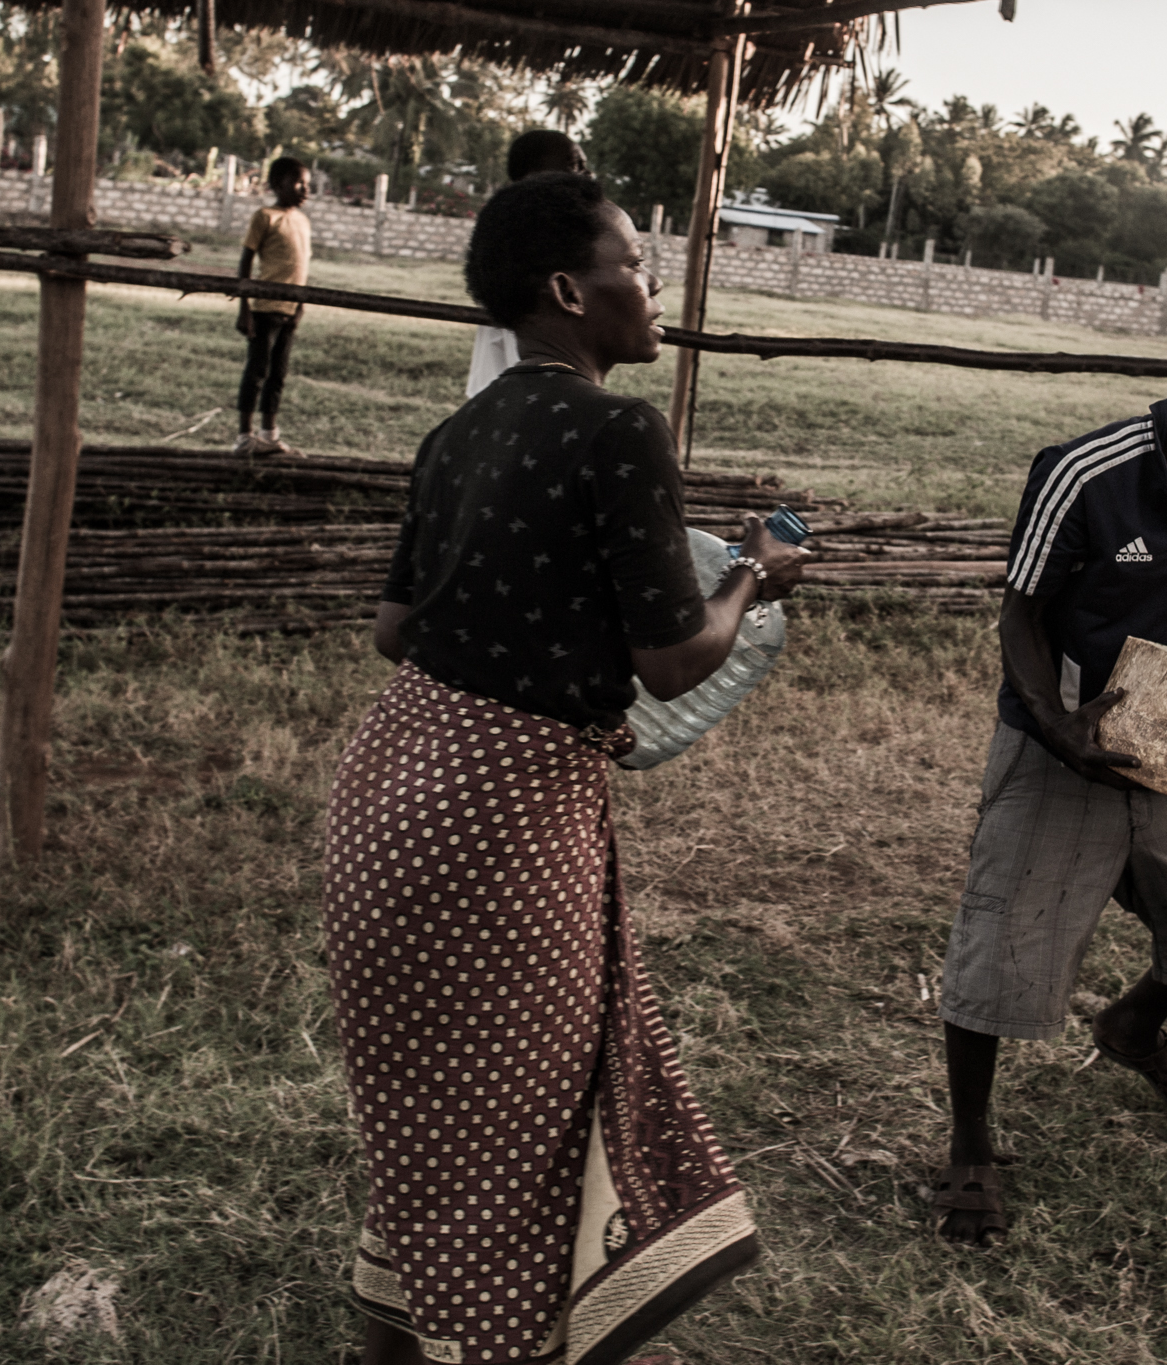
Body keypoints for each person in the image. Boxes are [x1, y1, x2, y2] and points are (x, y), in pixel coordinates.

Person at [324, 171, 808, 1365]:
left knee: (431, 1113)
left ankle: (401, 1339)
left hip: (390, 784)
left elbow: (394, 632)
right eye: (635, 264)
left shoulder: (458, 431)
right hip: (507, 813)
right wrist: (753, 579)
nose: (651, 288)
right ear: (566, 291)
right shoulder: (616, 428)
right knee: (521, 1120)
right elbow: (671, 659)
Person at [930, 289, 1167, 1247]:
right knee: (1002, 948)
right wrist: (1060, 730)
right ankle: (971, 1142)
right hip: (1067, 731)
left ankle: (1133, 1030)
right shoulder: (1085, 474)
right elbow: (1020, 615)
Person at [466, 130, 590, 398]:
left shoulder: (568, 221)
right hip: (524, 330)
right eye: (574, 165)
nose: (587, 175)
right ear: (533, 175)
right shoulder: (513, 224)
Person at [234, 156, 313, 456]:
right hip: (264, 309)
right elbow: (245, 261)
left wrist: (300, 307)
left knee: (278, 374)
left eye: (307, 183)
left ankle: (269, 434)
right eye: (298, 182)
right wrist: (244, 308)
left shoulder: (303, 222)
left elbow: (301, 267)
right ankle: (244, 435)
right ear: (276, 185)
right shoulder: (265, 216)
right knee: (257, 372)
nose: (304, 189)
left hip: (291, 310)